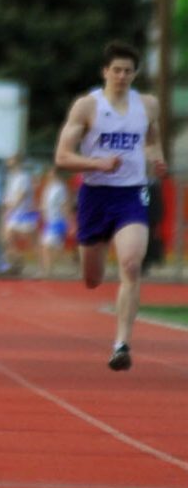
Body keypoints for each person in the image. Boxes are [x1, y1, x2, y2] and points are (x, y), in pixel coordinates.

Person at [54, 40, 165, 371]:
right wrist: (97, 164)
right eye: (116, 70)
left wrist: (156, 158)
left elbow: (153, 140)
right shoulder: (87, 106)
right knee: (92, 277)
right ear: (105, 72)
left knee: (131, 265)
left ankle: (121, 344)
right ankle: (92, 262)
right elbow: (62, 157)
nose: (122, 76)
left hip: (130, 194)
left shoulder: (147, 105)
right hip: (95, 195)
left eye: (128, 71)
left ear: (135, 74)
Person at [0, 155, 39, 275]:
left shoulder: (24, 177)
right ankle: (16, 263)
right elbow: (8, 196)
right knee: (7, 239)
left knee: (32, 241)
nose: (8, 163)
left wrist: (11, 207)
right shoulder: (11, 178)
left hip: (24, 213)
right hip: (14, 214)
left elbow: (21, 195)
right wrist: (6, 208)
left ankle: (42, 267)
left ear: (17, 162)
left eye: (10, 161)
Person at [38, 165, 72, 278]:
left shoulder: (60, 188)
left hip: (57, 220)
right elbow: (44, 204)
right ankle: (49, 270)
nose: (49, 175)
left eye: (51, 173)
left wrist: (68, 221)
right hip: (49, 221)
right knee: (51, 248)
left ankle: (48, 271)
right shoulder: (49, 187)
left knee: (48, 247)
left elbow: (64, 205)